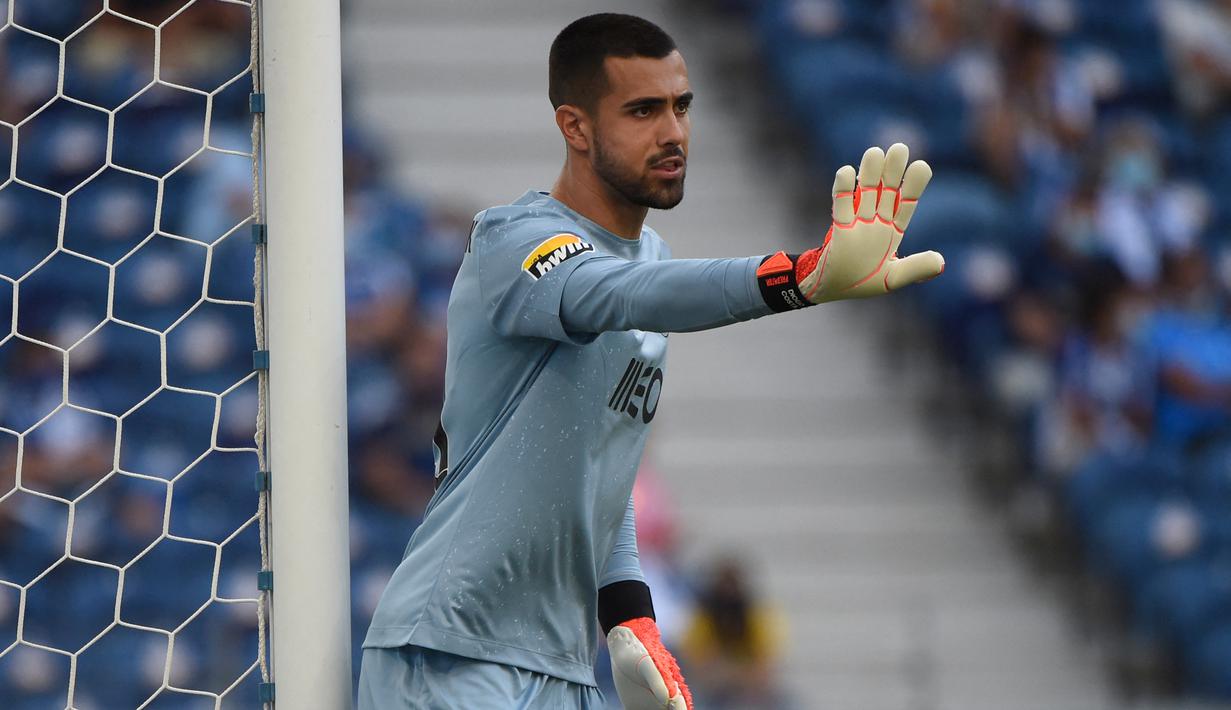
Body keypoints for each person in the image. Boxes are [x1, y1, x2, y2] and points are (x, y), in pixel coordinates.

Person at [358, 12, 944, 709]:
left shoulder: (650, 260)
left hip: (559, 664)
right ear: (575, 127)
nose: (673, 132)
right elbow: (619, 292)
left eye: (681, 107)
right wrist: (801, 277)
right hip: (450, 651)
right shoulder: (516, 241)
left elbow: (600, 463)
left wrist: (630, 619)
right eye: (642, 111)